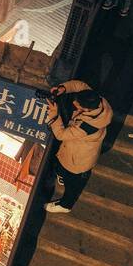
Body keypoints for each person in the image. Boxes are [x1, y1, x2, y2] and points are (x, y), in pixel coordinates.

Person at [44, 80, 113, 214]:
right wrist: (63, 88)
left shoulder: (86, 126)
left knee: (72, 186)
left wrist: (54, 114)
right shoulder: (98, 101)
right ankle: (62, 176)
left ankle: (66, 205)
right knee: (62, 167)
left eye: (78, 105)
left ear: (86, 110)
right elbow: (80, 86)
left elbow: (60, 134)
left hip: (79, 161)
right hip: (74, 152)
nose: (74, 104)